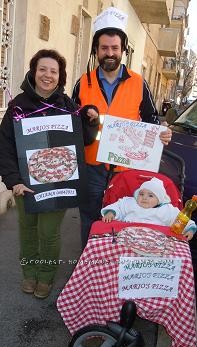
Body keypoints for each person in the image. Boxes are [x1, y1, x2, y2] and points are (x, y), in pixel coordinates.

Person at [0, 49, 99, 299]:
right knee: (28, 230)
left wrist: (90, 118)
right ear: (34, 72)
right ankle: (29, 274)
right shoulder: (17, 107)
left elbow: (84, 141)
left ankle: (45, 276)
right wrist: (13, 181)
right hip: (25, 184)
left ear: (60, 76)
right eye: (42, 69)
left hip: (58, 183)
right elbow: (5, 146)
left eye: (53, 71)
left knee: (49, 233)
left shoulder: (67, 106)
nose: (48, 75)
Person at [72, 7, 173, 248]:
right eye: (104, 48)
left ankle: (113, 267)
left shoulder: (139, 82)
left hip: (125, 170)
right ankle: (88, 266)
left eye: (115, 48)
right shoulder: (82, 83)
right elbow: (72, 123)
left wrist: (163, 132)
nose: (110, 53)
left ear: (123, 50)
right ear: (96, 50)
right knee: (89, 220)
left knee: (122, 220)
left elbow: (151, 120)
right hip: (91, 167)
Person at [101, 177, 196, 241]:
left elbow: (182, 218)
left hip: (154, 241)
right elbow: (118, 207)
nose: (144, 198)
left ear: (159, 200)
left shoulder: (167, 210)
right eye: (141, 194)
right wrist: (111, 213)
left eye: (150, 196)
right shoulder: (130, 202)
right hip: (126, 237)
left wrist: (190, 229)